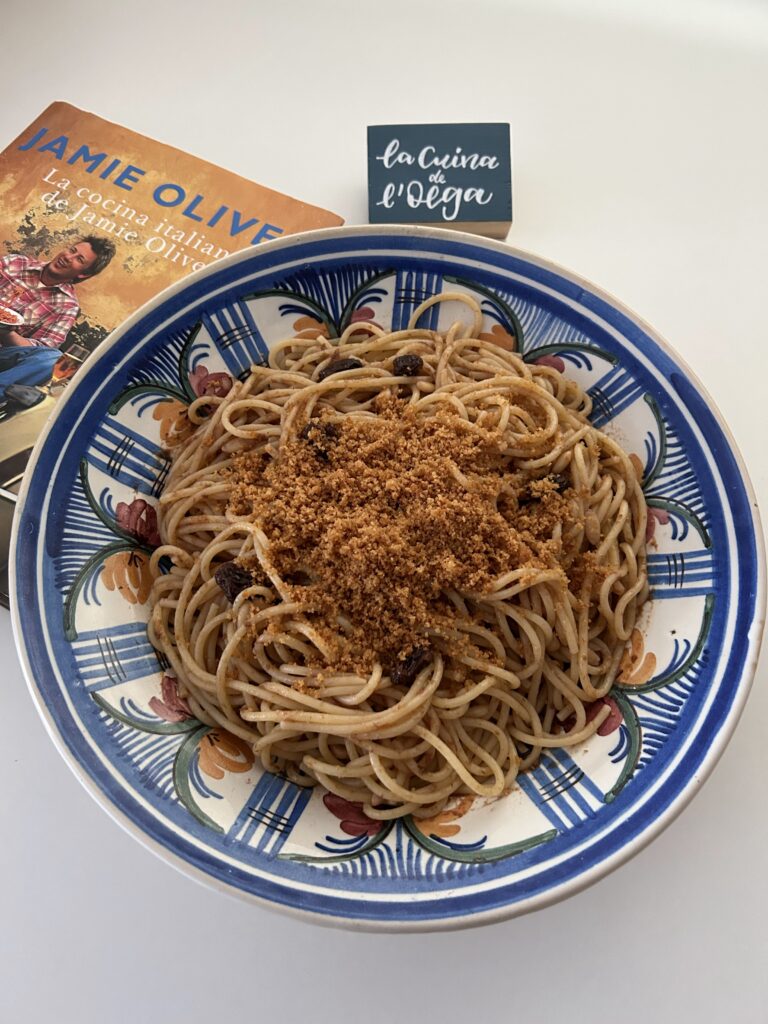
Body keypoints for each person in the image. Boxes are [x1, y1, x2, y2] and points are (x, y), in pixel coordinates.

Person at [0, 235, 115, 397]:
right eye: (71, 250)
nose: (68, 257)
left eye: (79, 259)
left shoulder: (67, 307)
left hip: (3, 354)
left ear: (83, 274)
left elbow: (39, 351)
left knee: (53, 359)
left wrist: (6, 332)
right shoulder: (15, 263)